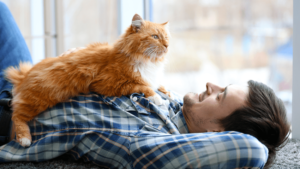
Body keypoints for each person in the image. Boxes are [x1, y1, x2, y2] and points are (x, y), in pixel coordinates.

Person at [0, 2, 289, 169]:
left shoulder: (150, 140)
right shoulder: (175, 102)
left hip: (12, 116)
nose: (210, 84)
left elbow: (251, 150)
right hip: (29, 78)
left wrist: (272, 139)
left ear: (217, 133)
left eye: (220, 95)